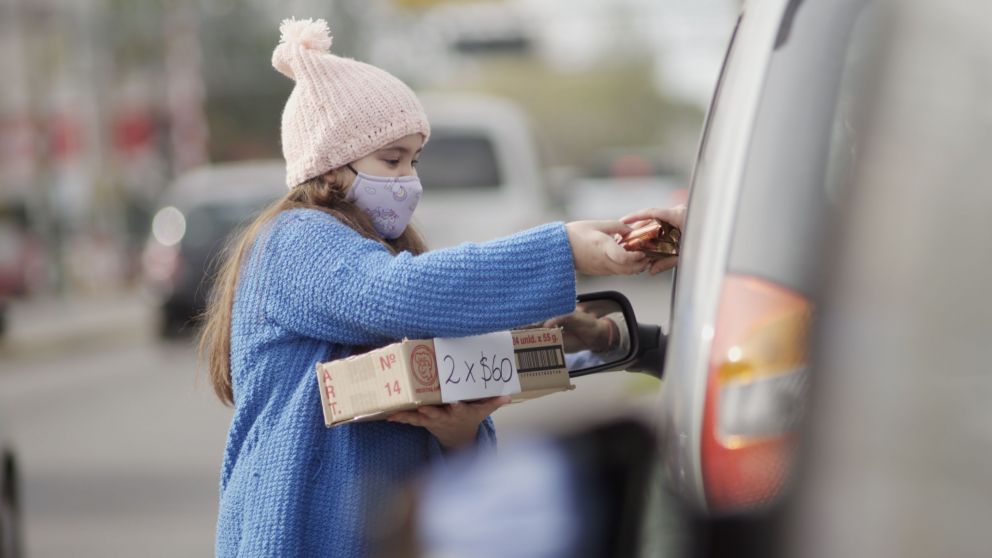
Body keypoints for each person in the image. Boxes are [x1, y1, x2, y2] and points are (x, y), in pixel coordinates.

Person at [199, 18, 682, 557]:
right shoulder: (292, 240)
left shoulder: (391, 250)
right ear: (329, 166)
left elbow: (455, 457)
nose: (411, 180)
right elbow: (391, 294)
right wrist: (563, 248)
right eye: (392, 160)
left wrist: (462, 432)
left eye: (414, 159)